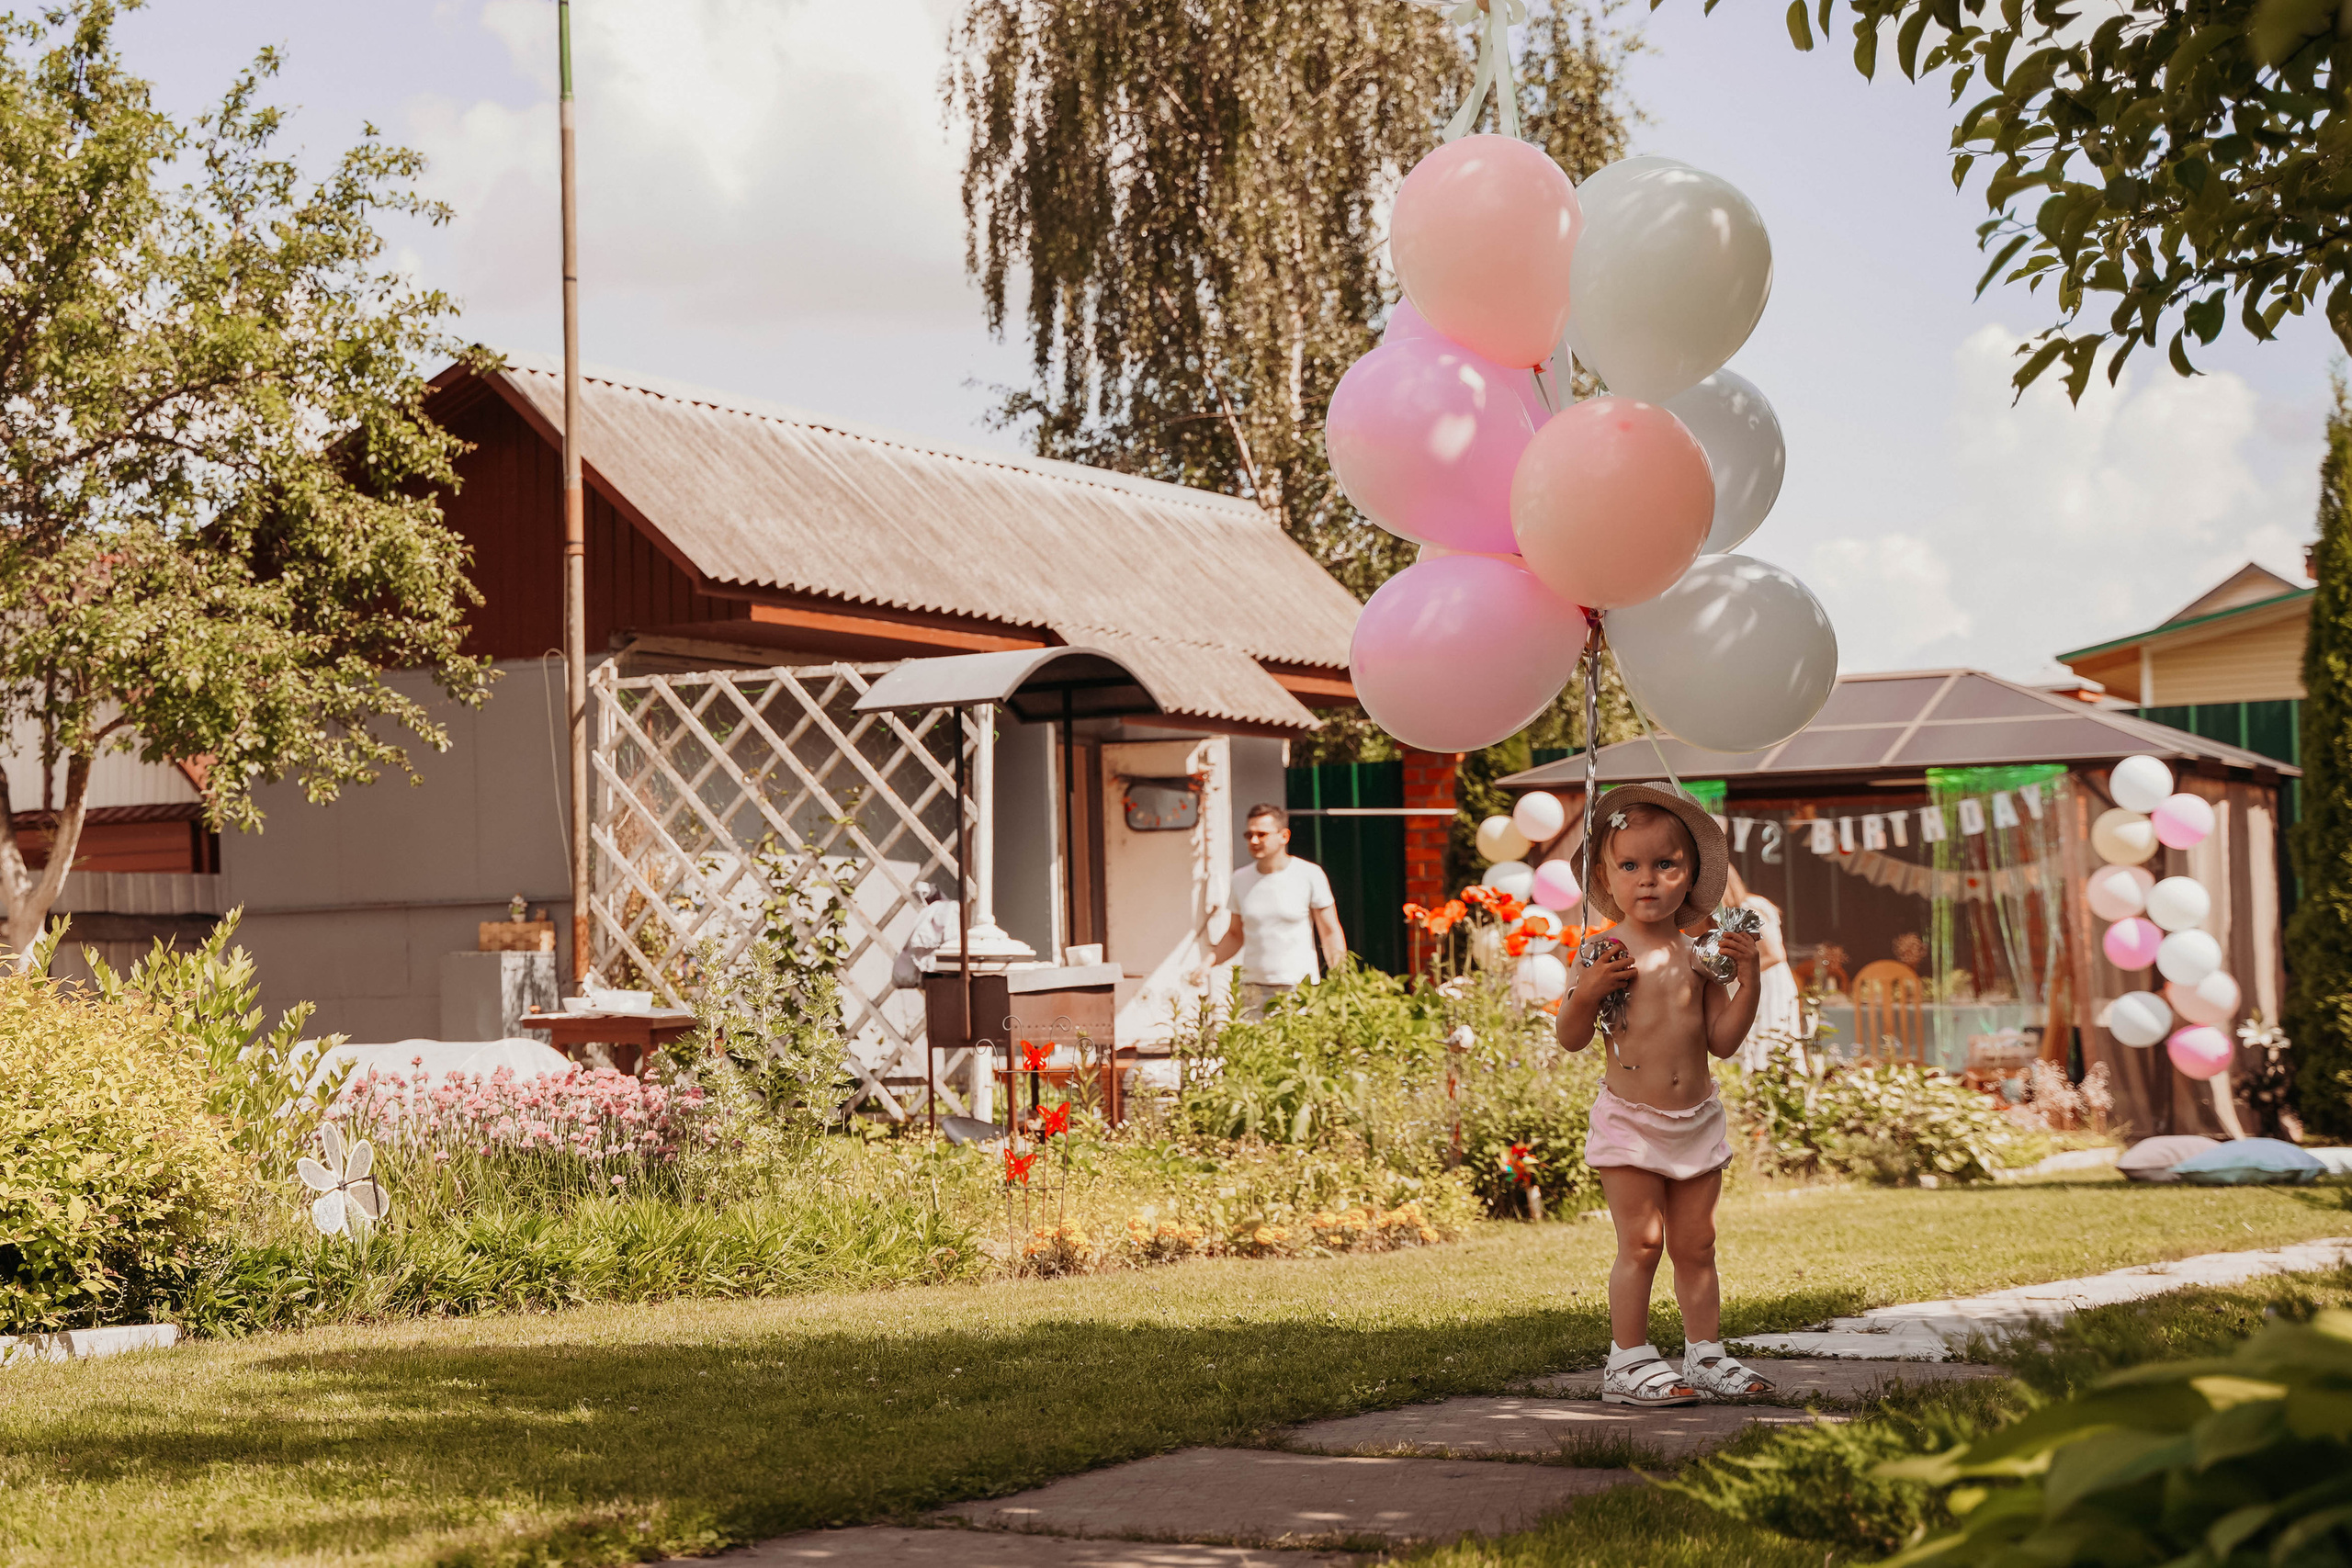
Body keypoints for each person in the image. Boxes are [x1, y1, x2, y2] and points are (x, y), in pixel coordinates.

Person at [1556, 784, 1774, 1407]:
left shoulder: (1699, 956)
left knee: (1696, 1242)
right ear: (1605, 874)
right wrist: (1589, 989)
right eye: (1630, 865)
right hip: (1630, 1122)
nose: (1647, 880)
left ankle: (1704, 1354)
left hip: (1695, 1120)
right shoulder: (1605, 952)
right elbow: (1571, 1036)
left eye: (1664, 864)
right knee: (1642, 1241)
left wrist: (1748, 976)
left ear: (1691, 874)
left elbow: (1724, 1040)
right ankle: (1627, 1360)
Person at [1205, 803, 1346, 1016]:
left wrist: (1340, 978)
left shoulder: (1309, 874)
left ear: (1284, 836)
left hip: (1298, 987)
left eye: (1261, 834)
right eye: (1249, 834)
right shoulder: (1240, 879)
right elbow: (1235, 934)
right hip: (1251, 988)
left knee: (1296, 1048)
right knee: (1250, 1048)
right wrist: (1207, 963)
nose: (1254, 841)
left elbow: (1329, 931)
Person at [1723, 864, 1803, 1071]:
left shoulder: (1749, 907)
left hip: (1767, 985)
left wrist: (1735, 974)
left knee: (1767, 1040)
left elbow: (1775, 954)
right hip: (1747, 982)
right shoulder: (1726, 914)